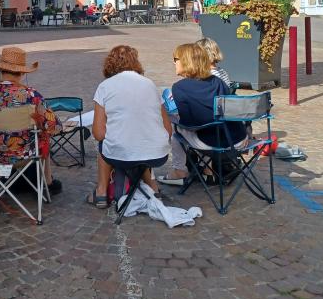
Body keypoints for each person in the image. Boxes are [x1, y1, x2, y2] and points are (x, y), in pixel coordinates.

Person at [87, 46, 171, 209]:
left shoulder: (105, 87)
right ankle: (154, 188)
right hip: (157, 154)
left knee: (104, 145)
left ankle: (102, 192)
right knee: (142, 141)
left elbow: (98, 133)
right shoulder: (150, 85)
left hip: (121, 154)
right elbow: (168, 129)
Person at [0, 47, 62, 194]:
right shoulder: (31, 95)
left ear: (0, 70)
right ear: (21, 72)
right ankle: (47, 182)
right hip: (23, 154)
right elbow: (55, 127)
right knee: (44, 136)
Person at [158, 43, 244, 186]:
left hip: (212, 142)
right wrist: (242, 133)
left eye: (176, 59)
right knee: (208, 124)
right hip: (237, 139)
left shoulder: (180, 88)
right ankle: (206, 169)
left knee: (176, 131)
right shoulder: (218, 82)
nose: (174, 62)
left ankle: (180, 171)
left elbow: (189, 124)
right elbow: (231, 111)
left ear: (186, 61)